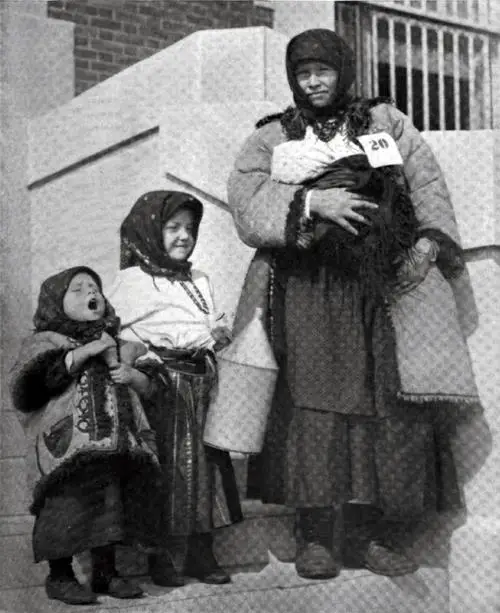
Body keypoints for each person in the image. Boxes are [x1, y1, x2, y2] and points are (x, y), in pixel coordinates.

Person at [227, 28, 480, 580]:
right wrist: (315, 200)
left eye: (323, 70)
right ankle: (315, 535)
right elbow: (245, 202)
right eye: (303, 73)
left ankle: (367, 537)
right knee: (315, 404)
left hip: (379, 286)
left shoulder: (384, 121)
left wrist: (429, 241)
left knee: (380, 404)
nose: (314, 81)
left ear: (343, 70)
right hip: (310, 286)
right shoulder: (271, 136)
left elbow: (425, 177)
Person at [107, 190, 242, 587]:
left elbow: (206, 325)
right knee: (168, 468)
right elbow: (119, 335)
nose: (184, 236)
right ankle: (160, 555)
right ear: (151, 231)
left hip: (203, 382)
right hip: (164, 385)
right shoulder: (133, 281)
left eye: (190, 228)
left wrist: (219, 333)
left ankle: (202, 551)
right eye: (173, 227)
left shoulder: (199, 279)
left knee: (208, 469)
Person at [9, 266, 160, 605]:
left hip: (113, 446)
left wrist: (133, 375)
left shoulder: (121, 344)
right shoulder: (44, 342)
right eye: (77, 289)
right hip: (64, 451)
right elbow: (27, 388)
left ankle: (105, 573)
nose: (91, 293)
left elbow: (152, 384)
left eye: (94, 287)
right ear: (54, 303)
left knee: (110, 507)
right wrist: (85, 352)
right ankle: (59, 575)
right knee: (64, 508)